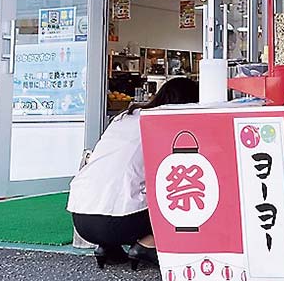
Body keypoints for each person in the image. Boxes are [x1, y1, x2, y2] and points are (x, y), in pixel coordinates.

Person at [68, 77, 199, 269]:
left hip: (81, 218)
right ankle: (146, 245)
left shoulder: (124, 117)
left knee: (122, 184)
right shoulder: (166, 124)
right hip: (119, 221)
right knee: (183, 192)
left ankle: (107, 247)